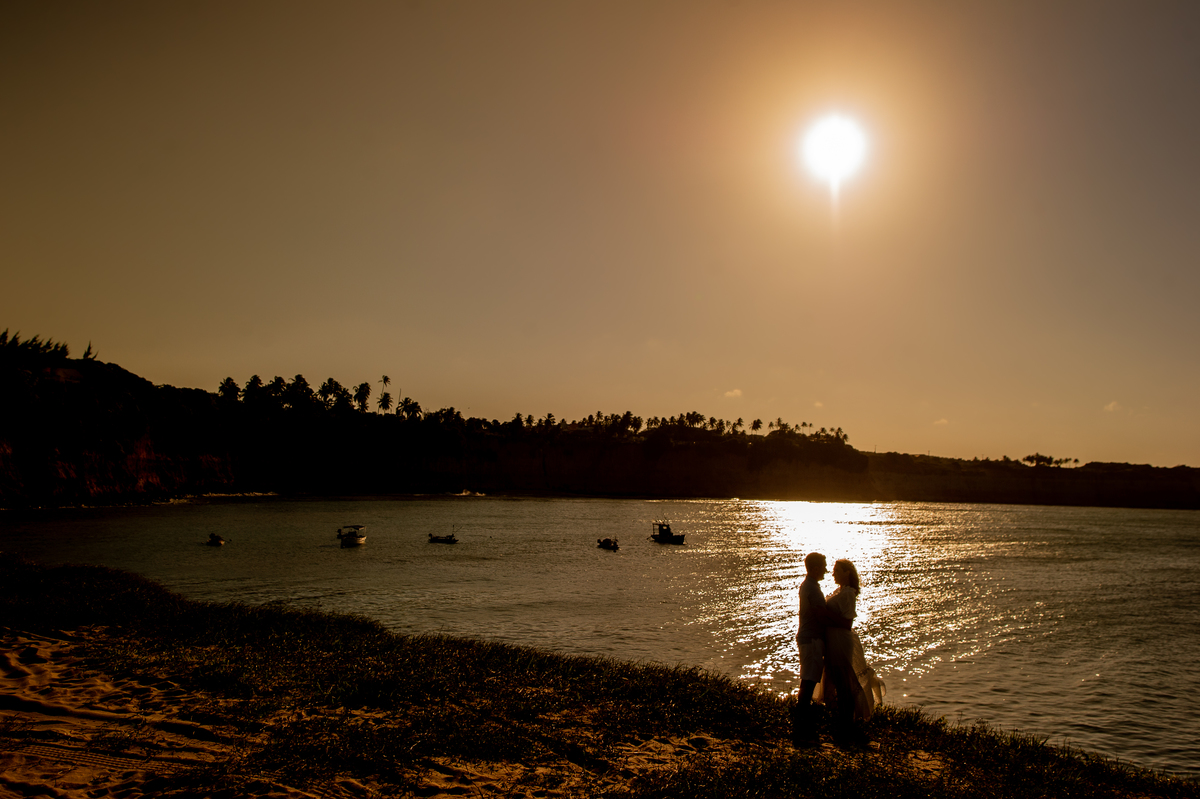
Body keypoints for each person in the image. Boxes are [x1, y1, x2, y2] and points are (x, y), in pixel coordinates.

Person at [817, 559, 886, 742]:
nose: (833, 574)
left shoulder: (848, 594)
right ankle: (839, 721)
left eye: (837, 570)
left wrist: (826, 615)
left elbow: (847, 624)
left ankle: (848, 723)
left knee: (843, 683)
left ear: (847, 572)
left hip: (841, 641)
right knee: (833, 681)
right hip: (833, 640)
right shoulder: (839, 591)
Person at [792, 552, 851, 744]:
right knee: (808, 682)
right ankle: (801, 728)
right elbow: (821, 615)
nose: (827, 570)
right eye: (824, 566)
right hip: (811, 640)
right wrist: (843, 623)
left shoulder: (809, 586)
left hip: (810, 639)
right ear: (816, 568)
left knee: (808, 681)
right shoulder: (812, 589)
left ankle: (803, 726)